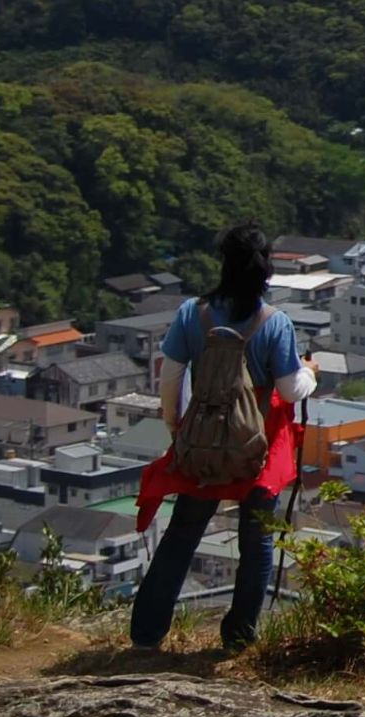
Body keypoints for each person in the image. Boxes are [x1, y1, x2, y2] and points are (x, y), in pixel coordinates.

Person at [130, 223, 316, 653]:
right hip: (257, 446)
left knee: (183, 532)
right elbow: (290, 391)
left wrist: (178, 429)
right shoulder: (274, 323)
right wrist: (310, 374)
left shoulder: (192, 314)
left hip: (204, 440)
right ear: (265, 270)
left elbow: (172, 378)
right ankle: (238, 637)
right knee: (257, 538)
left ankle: (146, 633)